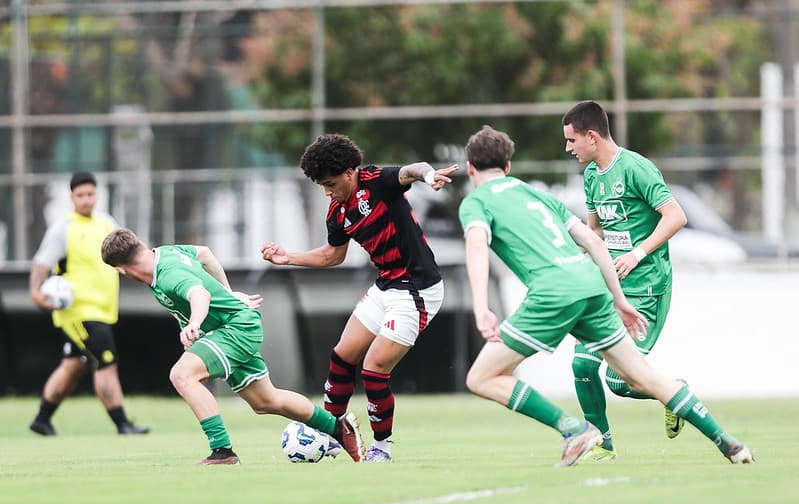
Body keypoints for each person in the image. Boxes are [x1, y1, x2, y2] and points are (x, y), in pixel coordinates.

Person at [458, 125, 753, 467]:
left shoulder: (476, 202)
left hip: (554, 292)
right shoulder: (536, 195)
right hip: (591, 283)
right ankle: (730, 444)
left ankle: (573, 429)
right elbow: (595, 242)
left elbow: (477, 247)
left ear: (469, 168)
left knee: (480, 377)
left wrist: (481, 307)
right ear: (508, 167)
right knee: (640, 375)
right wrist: (618, 299)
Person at [260, 133, 458, 463]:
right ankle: (332, 433)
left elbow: (412, 169)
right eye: (321, 185)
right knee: (342, 357)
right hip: (387, 286)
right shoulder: (337, 212)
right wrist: (287, 257)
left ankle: (382, 447)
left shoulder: (376, 181)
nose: (327, 191)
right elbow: (331, 256)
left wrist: (429, 175)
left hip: (417, 289)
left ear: (350, 172)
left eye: (330, 182)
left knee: (374, 369)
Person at [101, 228, 365, 465]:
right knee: (265, 401)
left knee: (182, 375)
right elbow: (205, 254)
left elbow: (199, 294)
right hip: (233, 324)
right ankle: (338, 428)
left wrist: (194, 323)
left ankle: (222, 451)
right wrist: (229, 295)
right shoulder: (166, 253)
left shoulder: (167, 274)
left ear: (120, 270)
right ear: (141, 246)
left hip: (234, 328)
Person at [562, 101, 688, 461]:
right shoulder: (590, 176)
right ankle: (601, 446)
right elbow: (594, 232)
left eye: (572, 140)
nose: (568, 148)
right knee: (582, 364)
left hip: (647, 286)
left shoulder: (636, 168)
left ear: (591, 136)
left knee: (620, 382)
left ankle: (675, 392)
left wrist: (638, 253)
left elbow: (676, 216)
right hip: (611, 289)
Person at [28, 172, 149, 436]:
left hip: (103, 308)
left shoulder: (106, 223)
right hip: (78, 311)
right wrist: (36, 293)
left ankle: (41, 419)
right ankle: (122, 424)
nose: (86, 200)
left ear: (97, 194)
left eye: (90, 194)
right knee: (107, 362)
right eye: (80, 195)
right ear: (72, 197)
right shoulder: (63, 229)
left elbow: (130, 250)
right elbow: (41, 264)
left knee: (74, 364)